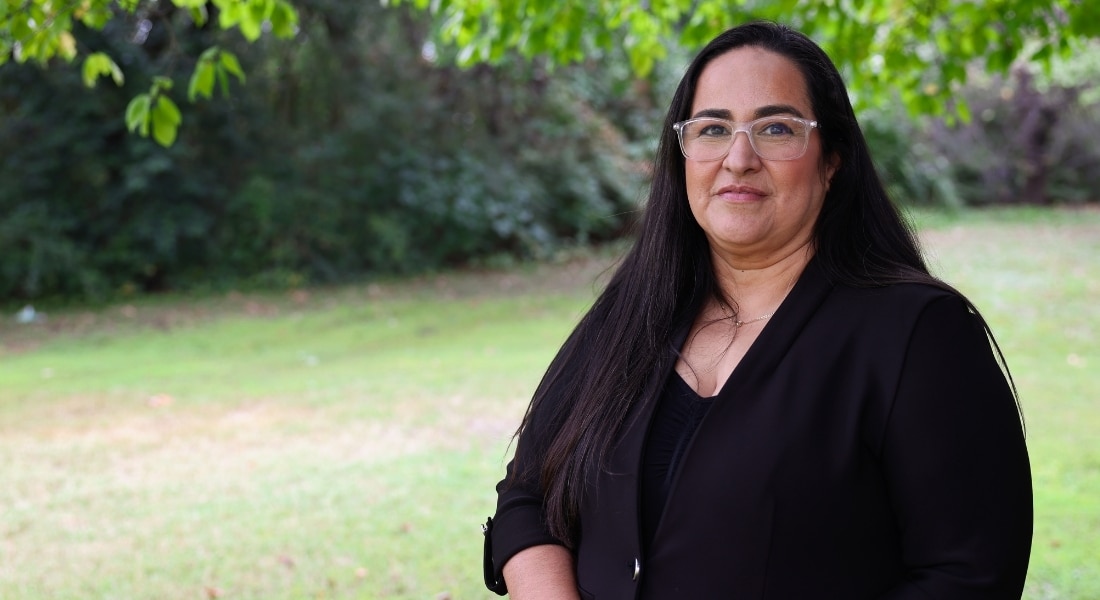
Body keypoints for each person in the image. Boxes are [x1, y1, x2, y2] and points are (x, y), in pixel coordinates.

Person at [482, 21, 1033, 599]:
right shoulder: (631, 315)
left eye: (775, 128)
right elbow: (528, 494)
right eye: (713, 128)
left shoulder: (920, 336)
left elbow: (970, 578)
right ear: (683, 153)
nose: (738, 158)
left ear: (832, 160)